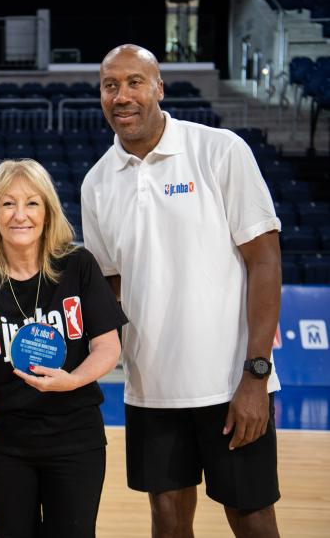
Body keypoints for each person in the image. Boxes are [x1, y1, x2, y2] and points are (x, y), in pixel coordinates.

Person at [81, 44, 282, 538]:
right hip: (151, 388)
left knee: (250, 516)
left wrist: (256, 375)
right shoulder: (97, 183)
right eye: (111, 86)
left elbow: (265, 260)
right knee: (167, 519)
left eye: (134, 82)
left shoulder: (219, 150)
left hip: (231, 384)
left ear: (158, 89)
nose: (122, 96)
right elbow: (112, 288)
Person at [0, 158, 127, 537]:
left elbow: (107, 347)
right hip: (3, 442)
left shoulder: (79, 266)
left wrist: (73, 379)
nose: (20, 215)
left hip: (74, 436)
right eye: (8, 203)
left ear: (48, 212)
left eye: (32, 203)